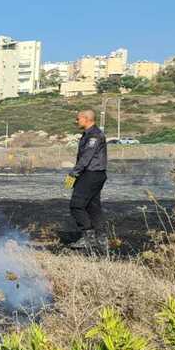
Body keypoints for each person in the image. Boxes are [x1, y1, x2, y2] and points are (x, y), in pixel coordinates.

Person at [64, 108, 107, 253]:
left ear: (86, 118)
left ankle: (88, 237)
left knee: (76, 205)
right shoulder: (88, 135)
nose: (76, 121)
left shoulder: (94, 136)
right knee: (93, 207)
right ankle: (101, 238)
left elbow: (86, 157)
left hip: (91, 174)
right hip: (93, 174)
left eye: (78, 119)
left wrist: (74, 173)